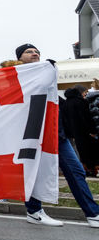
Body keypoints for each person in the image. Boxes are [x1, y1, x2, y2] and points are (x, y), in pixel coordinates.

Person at [15, 43, 99, 227]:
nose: (35, 53)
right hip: (30, 135)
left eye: (37, 51)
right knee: (35, 174)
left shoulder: (47, 73)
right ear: (20, 57)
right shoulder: (16, 77)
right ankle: (34, 211)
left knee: (76, 170)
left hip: (55, 134)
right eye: (29, 52)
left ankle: (93, 213)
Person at [61, 85, 99, 178]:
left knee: (81, 150)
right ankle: (91, 169)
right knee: (90, 150)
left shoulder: (67, 102)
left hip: (74, 131)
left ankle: (88, 169)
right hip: (85, 131)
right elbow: (86, 117)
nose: (85, 93)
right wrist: (92, 130)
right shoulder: (80, 102)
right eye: (84, 91)